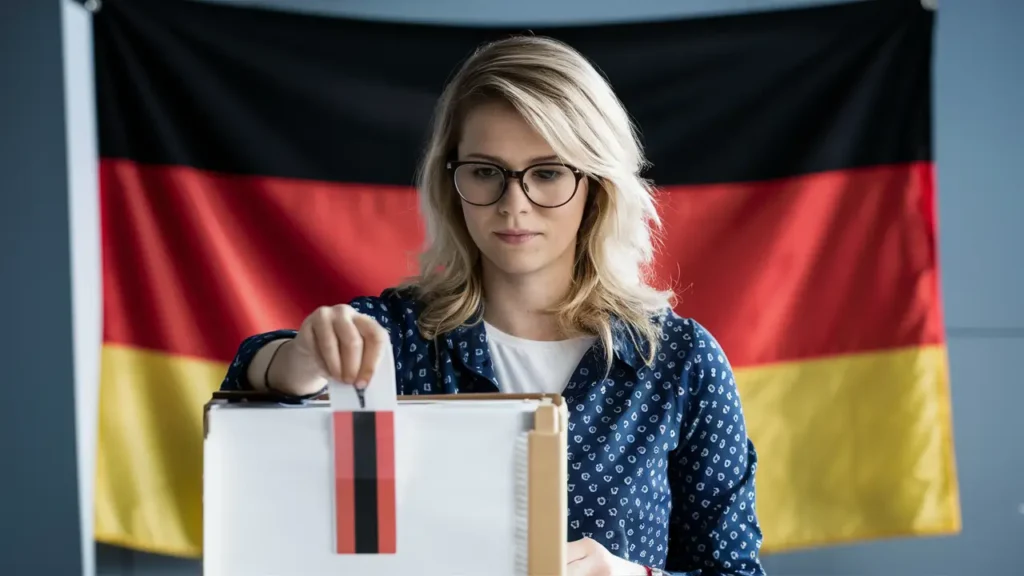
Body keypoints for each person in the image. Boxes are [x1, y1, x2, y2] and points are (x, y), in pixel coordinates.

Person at [220, 35, 765, 576]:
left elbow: (736, 570)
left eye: (547, 173)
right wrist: (300, 362)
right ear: (449, 180)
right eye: (485, 172)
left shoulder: (679, 362)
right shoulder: (393, 337)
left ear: (597, 186)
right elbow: (251, 385)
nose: (513, 206)